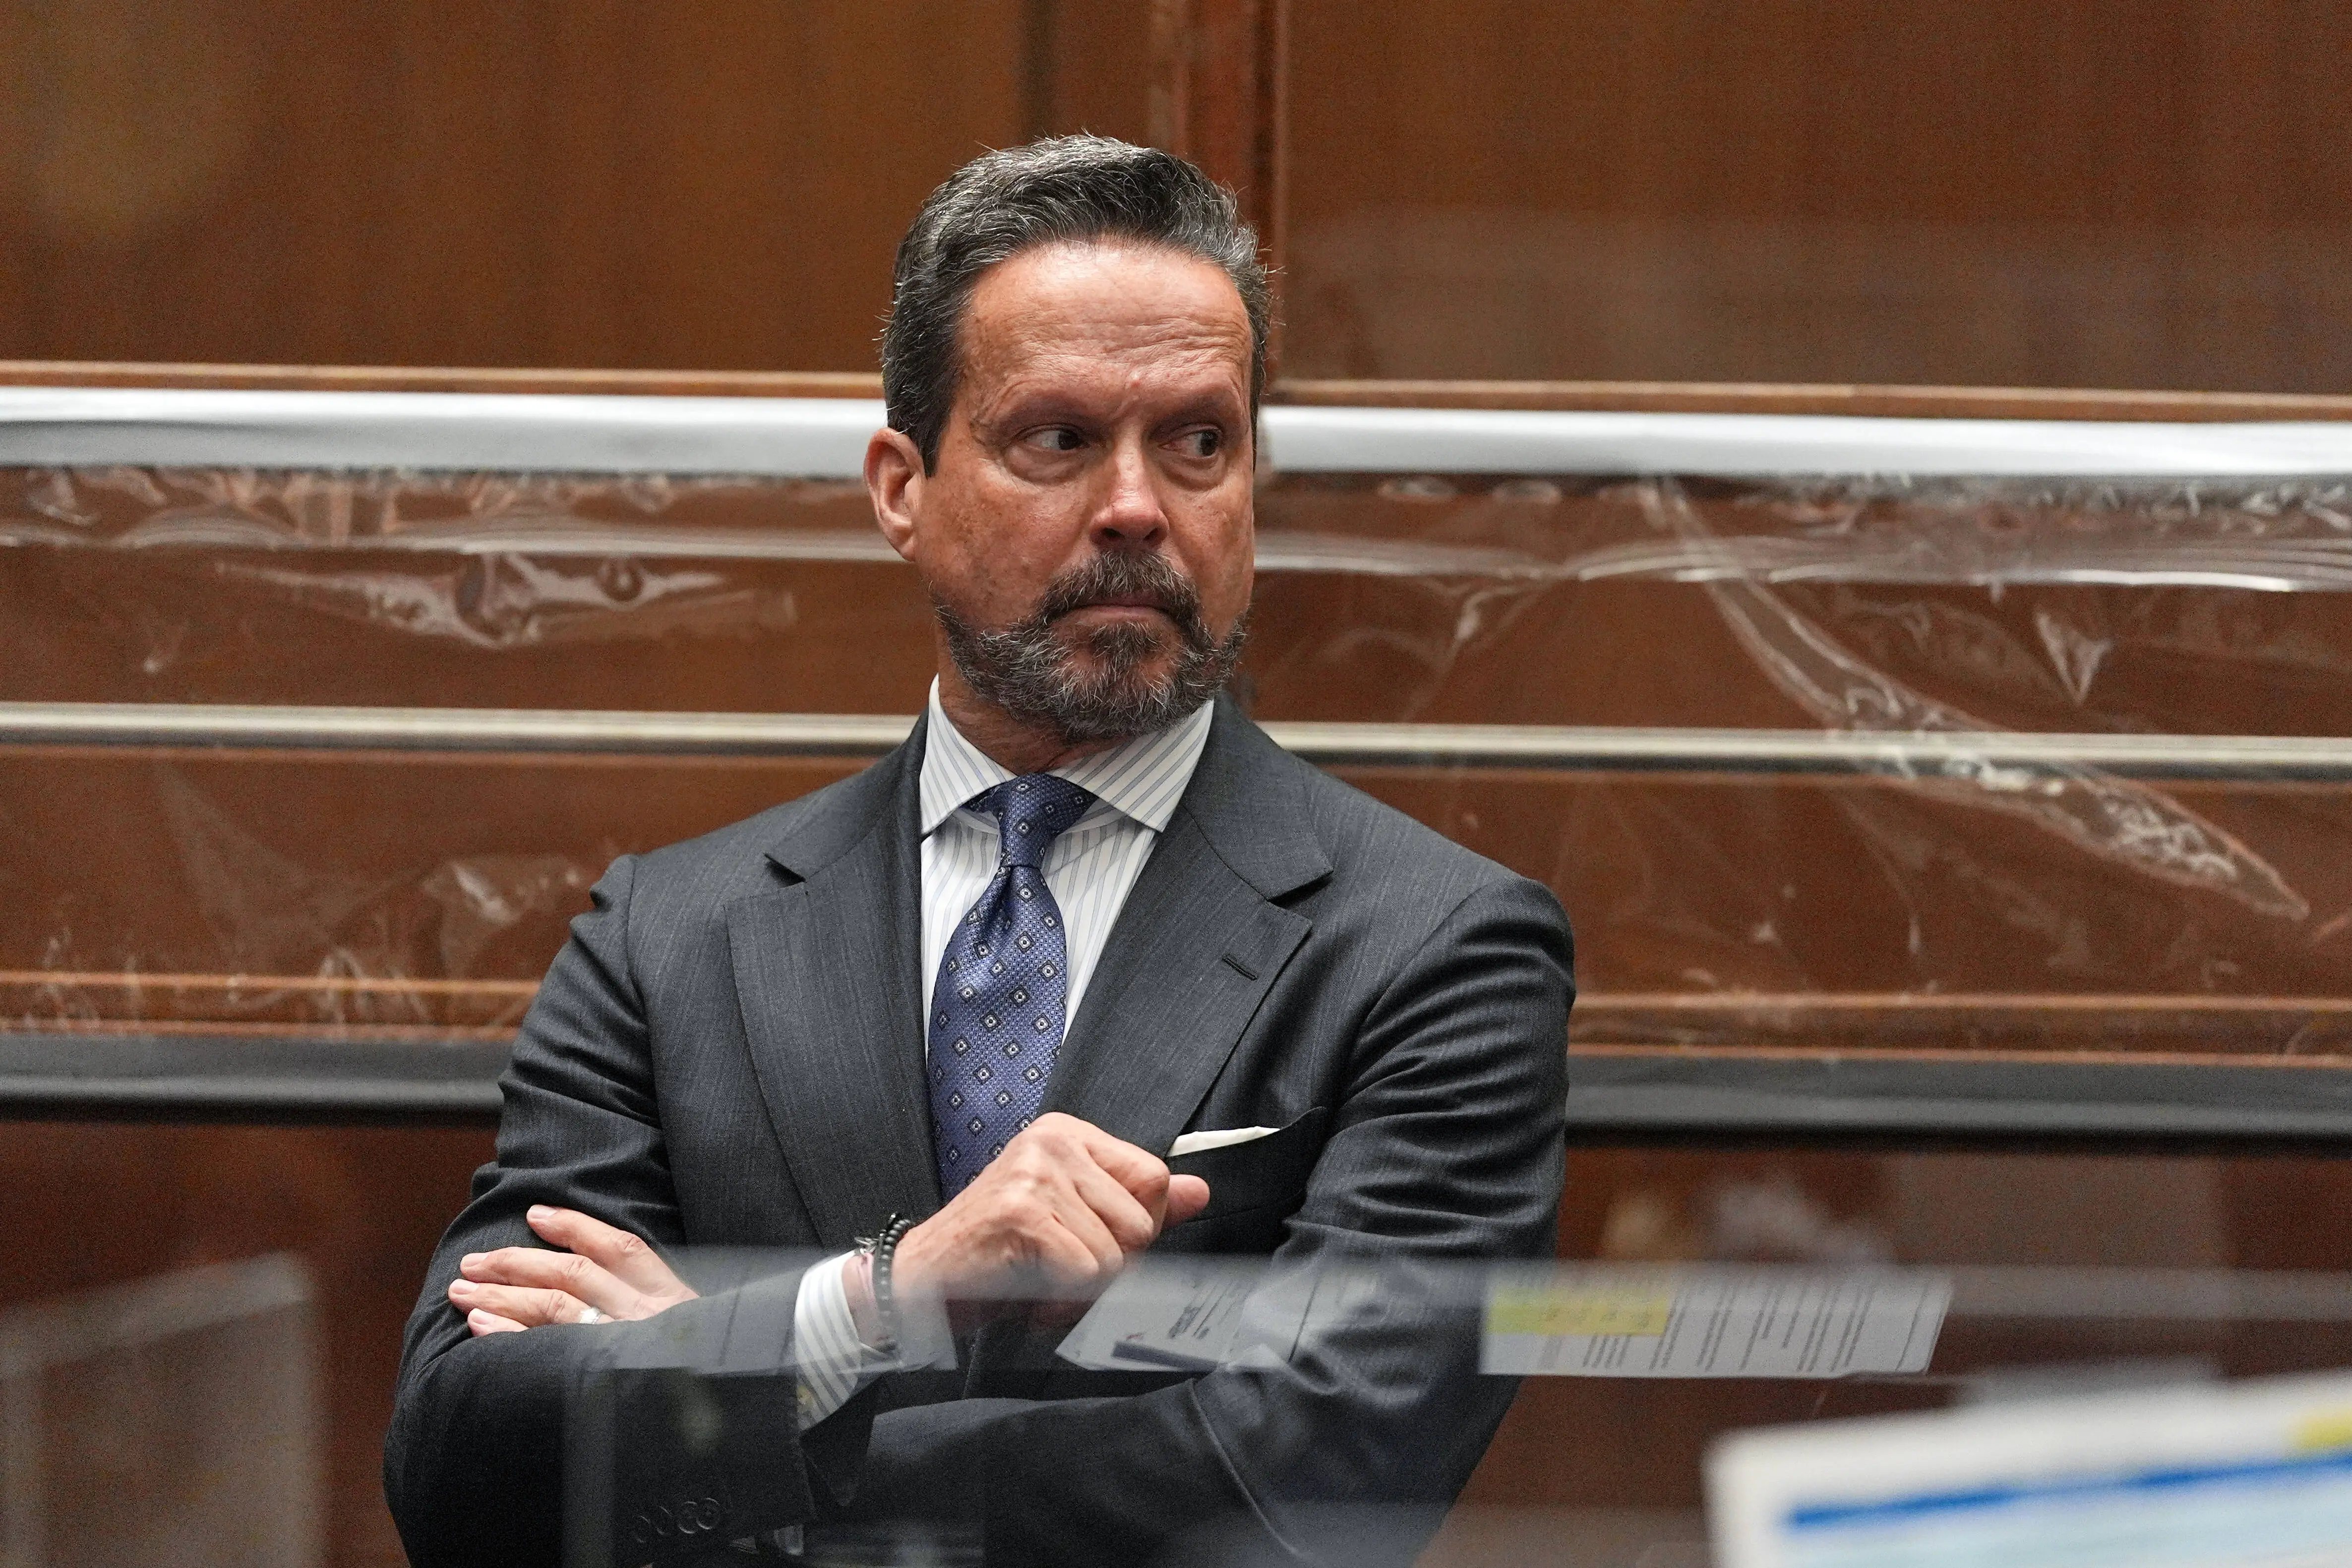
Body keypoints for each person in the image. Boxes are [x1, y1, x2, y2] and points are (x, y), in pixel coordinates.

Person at [385, 135, 1572, 1568]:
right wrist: (886, 1297)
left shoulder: (1436, 946)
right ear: (901, 486)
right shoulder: (668, 936)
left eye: (1198, 441)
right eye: (1057, 440)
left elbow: (1304, 1484)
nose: (1139, 507)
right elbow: (459, 1458)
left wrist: (728, 1381)